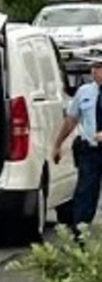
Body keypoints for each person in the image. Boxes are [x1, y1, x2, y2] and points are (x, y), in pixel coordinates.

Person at [52, 59, 102, 232]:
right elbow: (72, 119)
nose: (96, 72)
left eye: (100, 68)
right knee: (85, 192)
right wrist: (58, 144)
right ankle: (80, 234)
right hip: (90, 150)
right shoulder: (84, 92)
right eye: (95, 68)